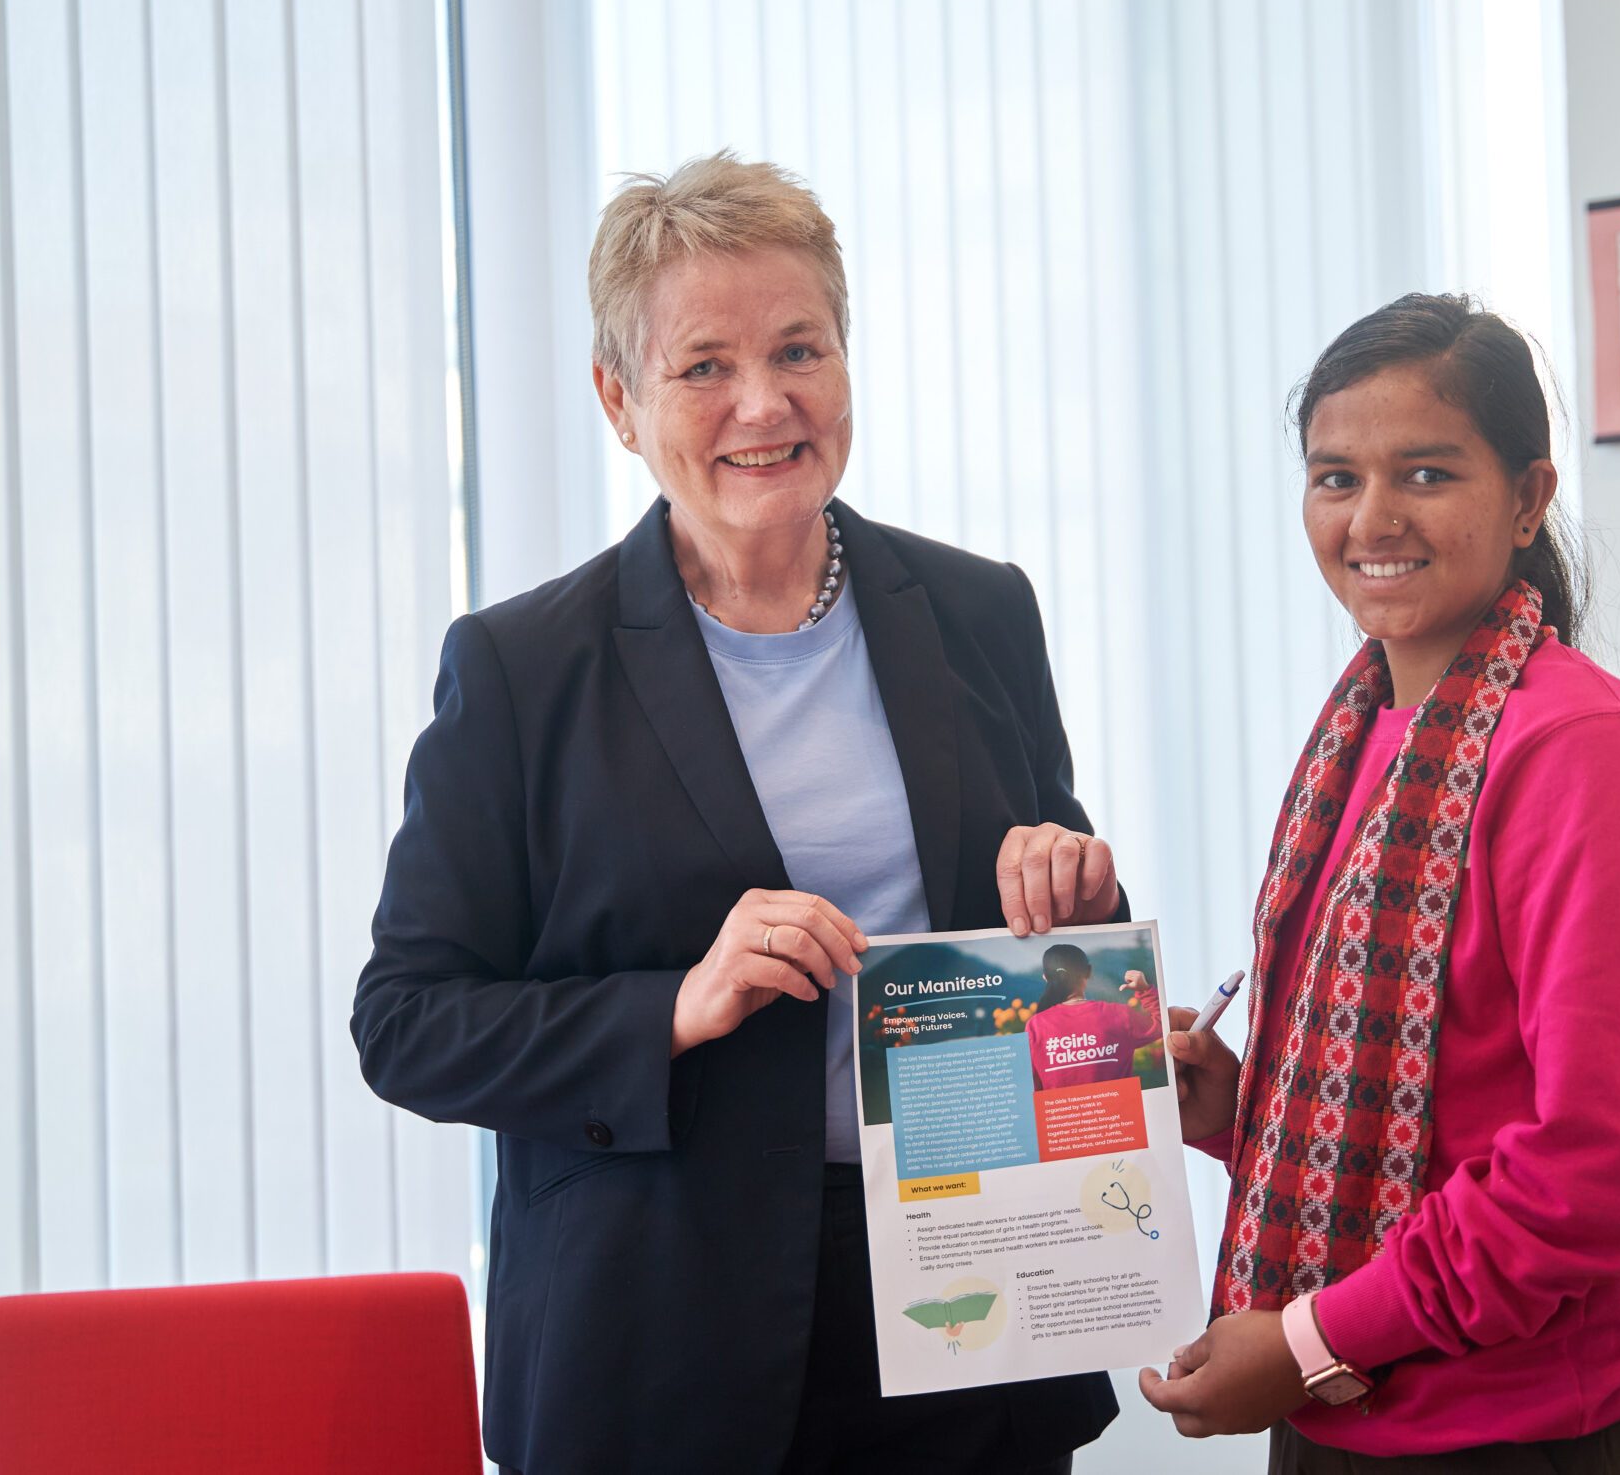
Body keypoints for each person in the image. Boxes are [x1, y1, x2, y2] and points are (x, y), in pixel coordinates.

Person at [352, 154, 1122, 1475]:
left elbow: (1047, 926)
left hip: (967, 1297)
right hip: (662, 1343)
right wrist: (677, 1001)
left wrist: (1076, 889)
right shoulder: (524, 668)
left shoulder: (982, 608)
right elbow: (407, 1020)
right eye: (703, 363)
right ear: (618, 398)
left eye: (799, 349)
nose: (764, 403)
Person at [1139, 294, 1620, 1473]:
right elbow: (1433, 1100)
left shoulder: (1582, 757)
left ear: (1527, 500)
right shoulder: (1367, 734)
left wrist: (1306, 1337)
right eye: (1332, 478)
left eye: (1424, 473)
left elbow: (1596, 1176)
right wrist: (1234, 1113)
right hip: (1345, 1414)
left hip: (1528, 1438)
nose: (1371, 520)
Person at [1024, 943, 1161, 1090]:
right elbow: (1161, 1024)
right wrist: (1144, 990)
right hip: (1117, 1110)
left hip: (1063, 1111)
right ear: (1088, 972)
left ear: (1045, 977)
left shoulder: (1035, 1025)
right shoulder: (1118, 1015)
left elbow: (1032, 1087)